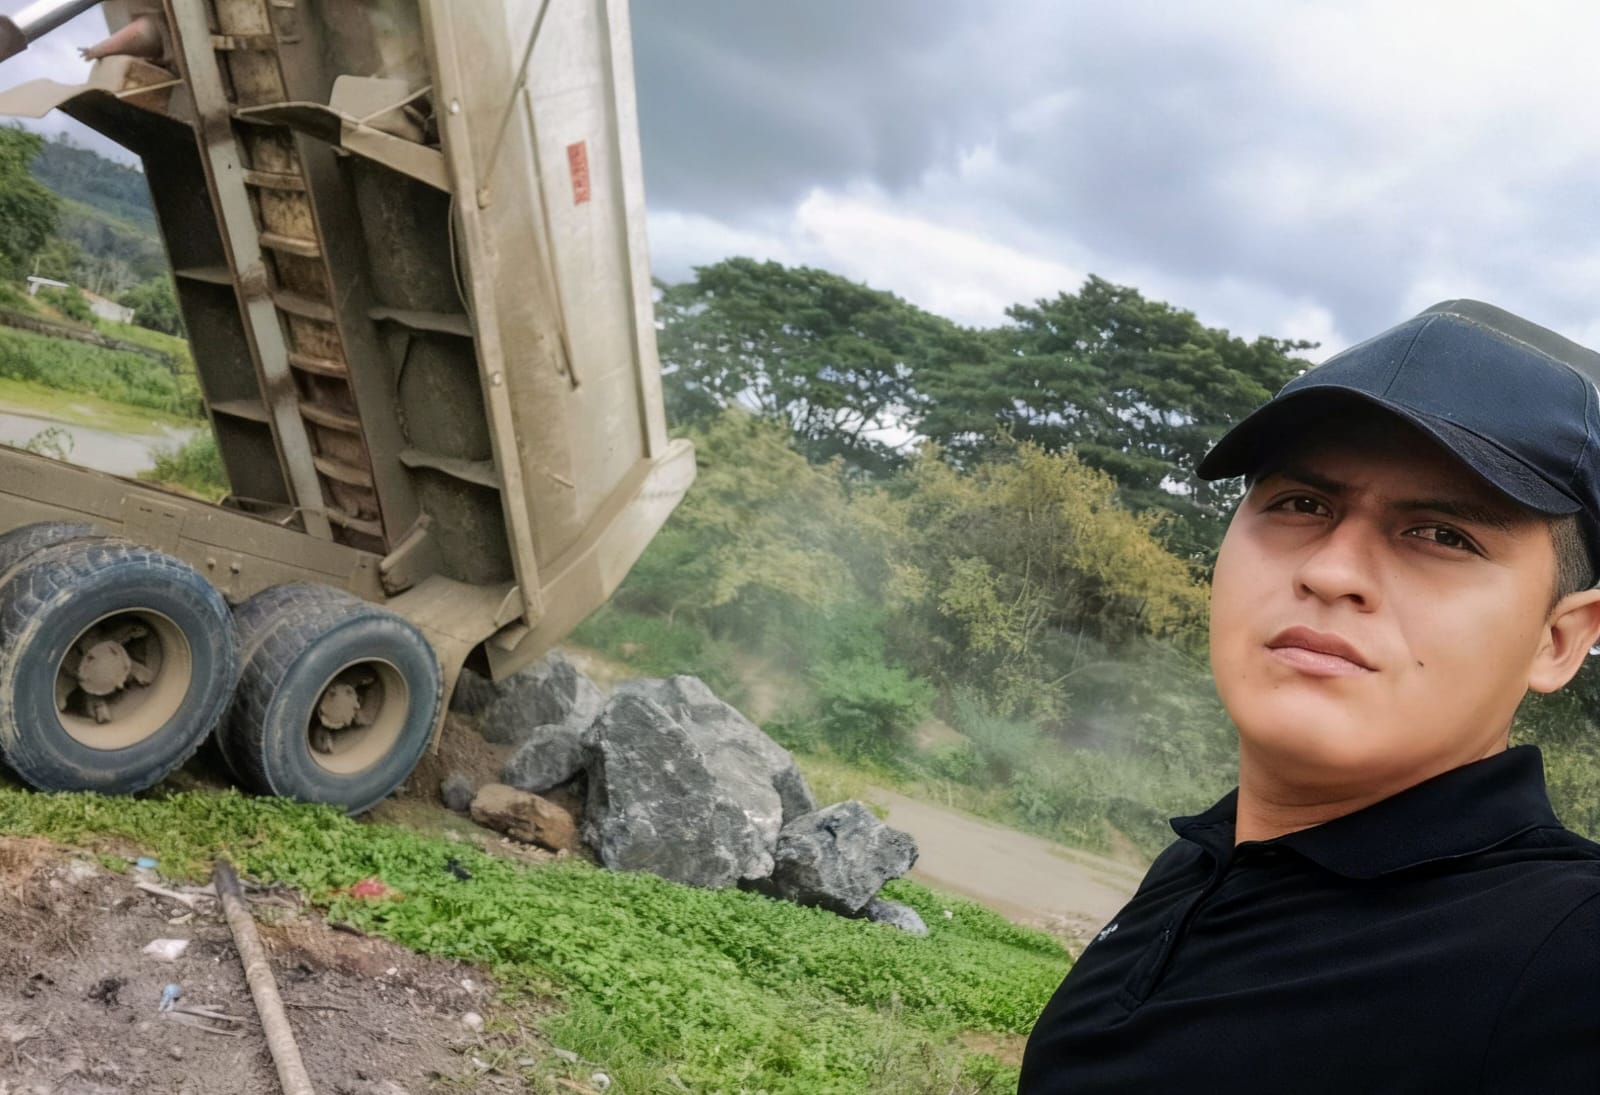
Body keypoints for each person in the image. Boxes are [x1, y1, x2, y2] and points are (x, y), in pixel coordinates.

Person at [1018, 300, 1600, 1094]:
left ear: (1559, 639)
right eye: (1301, 504)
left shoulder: (1567, 957)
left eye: (1442, 534)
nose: (1330, 571)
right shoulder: (1198, 863)